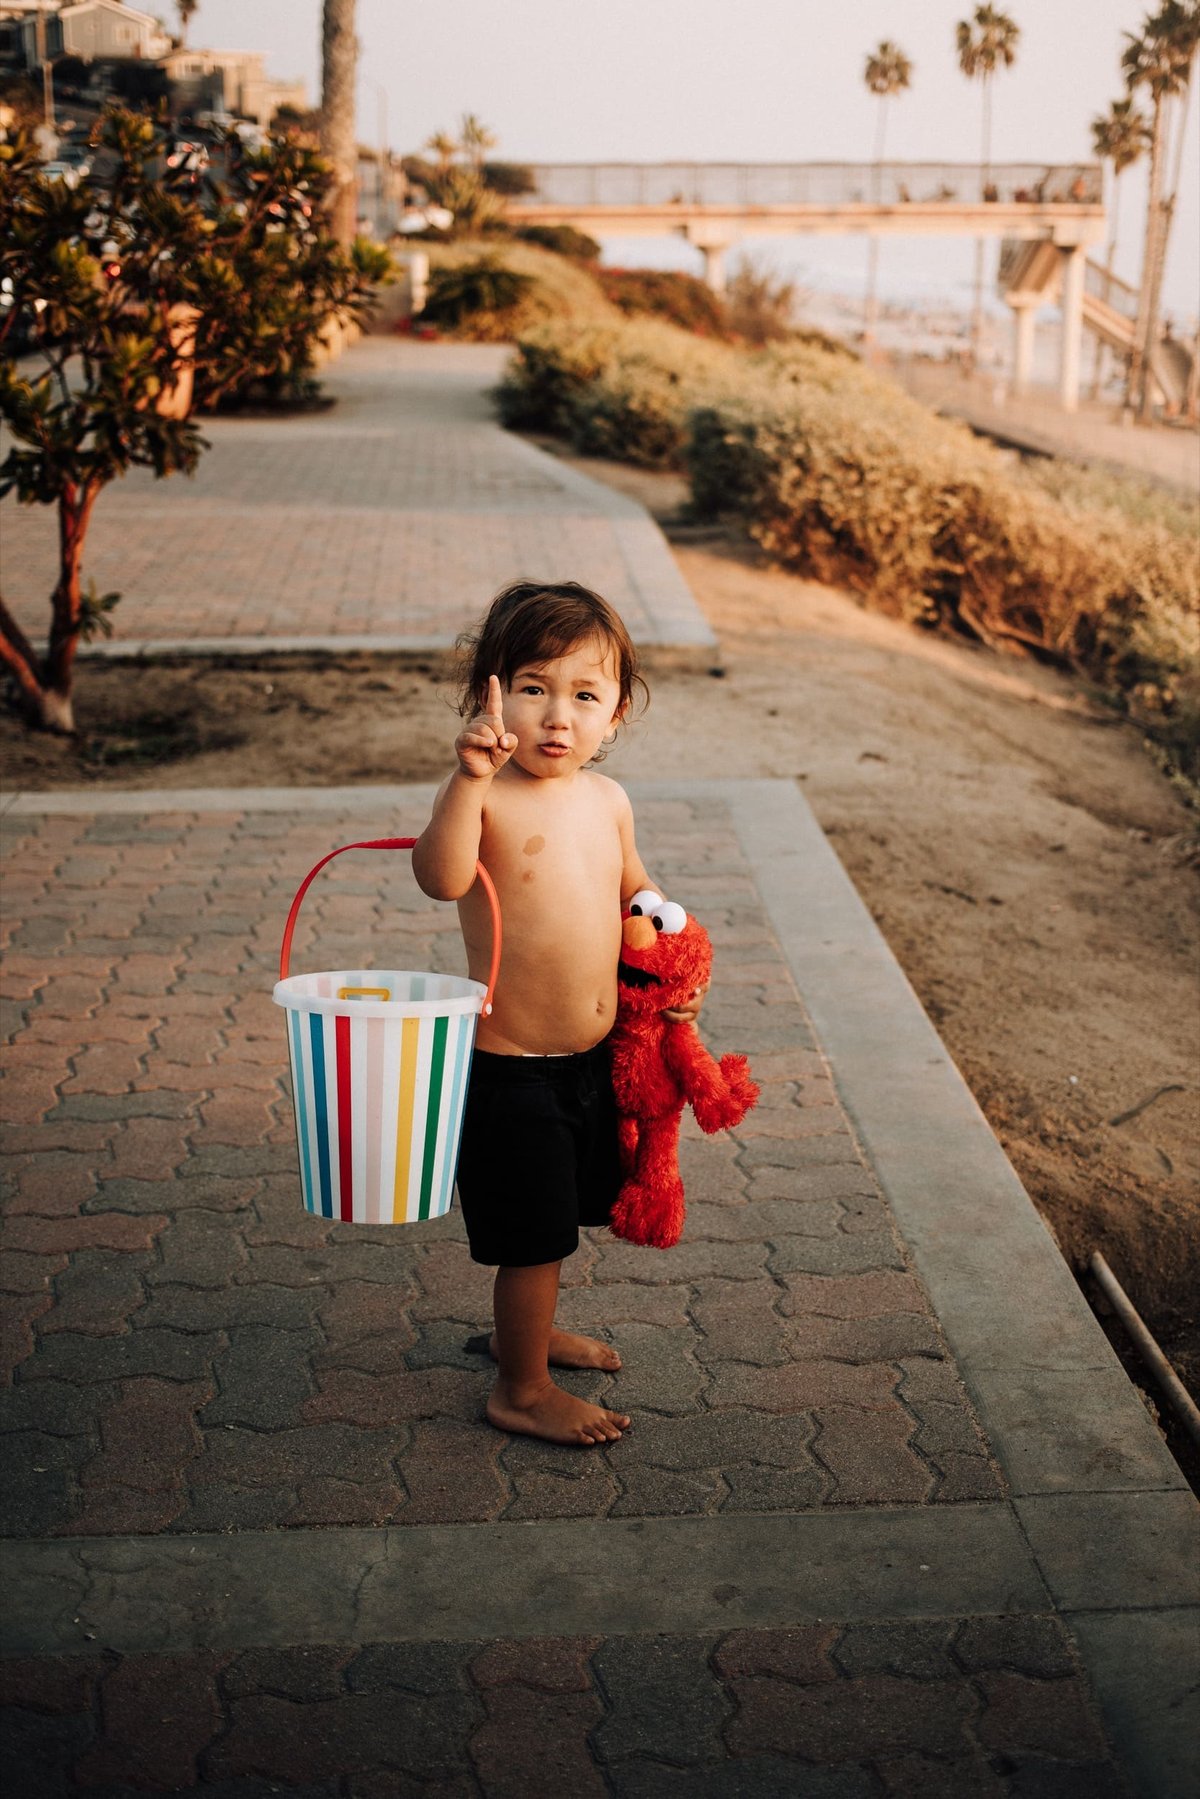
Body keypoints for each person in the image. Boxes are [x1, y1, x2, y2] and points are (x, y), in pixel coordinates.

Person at [413, 580, 702, 1448]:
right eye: (532, 687)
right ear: (487, 696)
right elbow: (440, 876)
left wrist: (668, 949)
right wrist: (465, 780)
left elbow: (636, 888)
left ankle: (518, 1334)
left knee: (564, 1214)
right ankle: (520, 1386)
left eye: (585, 695)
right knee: (534, 1237)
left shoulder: (606, 802)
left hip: (590, 1061)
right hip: (510, 1071)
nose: (556, 717)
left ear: (616, 714)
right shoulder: (487, 793)